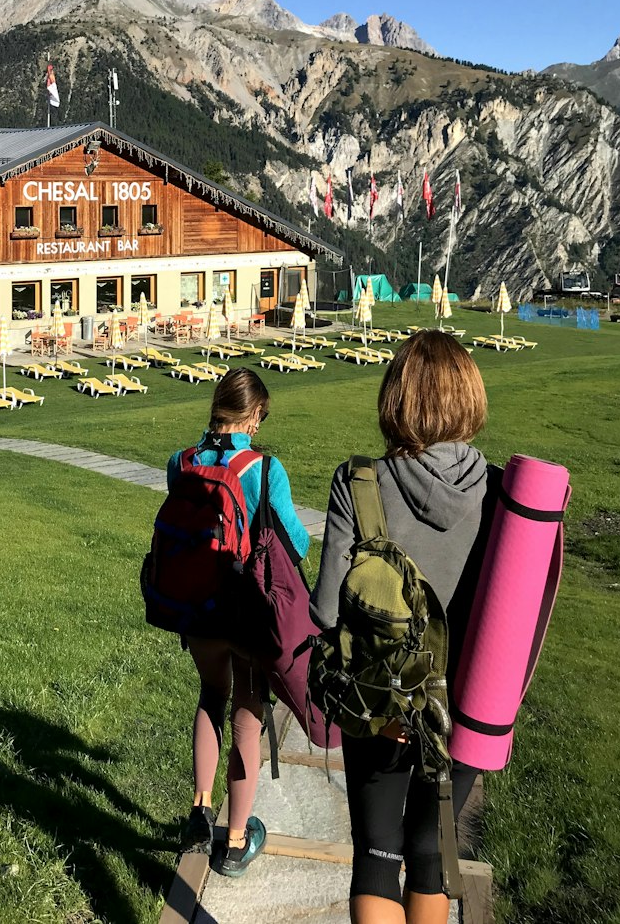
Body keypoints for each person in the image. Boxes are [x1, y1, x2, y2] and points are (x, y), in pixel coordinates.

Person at [310, 330, 492, 924]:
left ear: (396, 399)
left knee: (377, 857)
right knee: (431, 857)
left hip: (382, 703)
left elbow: (327, 613)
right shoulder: (499, 492)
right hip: (462, 706)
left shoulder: (357, 483)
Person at [169, 367, 310, 877]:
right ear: (252, 414)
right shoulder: (264, 470)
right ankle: (234, 843)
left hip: (196, 608)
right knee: (248, 720)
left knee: (210, 696)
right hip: (247, 614)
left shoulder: (182, 461)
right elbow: (297, 541)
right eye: (261, 416)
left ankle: (199, 810)